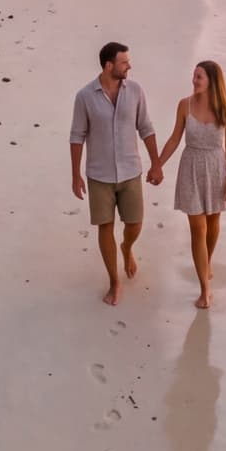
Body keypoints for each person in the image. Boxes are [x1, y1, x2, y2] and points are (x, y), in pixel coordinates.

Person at [70, 41, 164, 306]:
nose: (129, 66)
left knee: (135, 223)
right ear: (109, 65)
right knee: (105, 226)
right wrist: (75, 174)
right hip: (99, 175)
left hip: (131, 170)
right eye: (124, 62)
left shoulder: (135, 91)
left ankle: (127, 247)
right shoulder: (85, 96)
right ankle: (114, 281)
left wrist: (156, 163)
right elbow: (77, 135)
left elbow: (145, 127)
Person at [156, 60, 226, 309]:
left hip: (216, 168)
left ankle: (206, 261)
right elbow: (174, 138)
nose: (194, 80)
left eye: (199, 77)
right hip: (191, 167)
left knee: (213, 223)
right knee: (198, 229)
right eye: (194, 76)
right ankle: (205, 289)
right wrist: (157, 164)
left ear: (212, 80)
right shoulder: (185, 105)